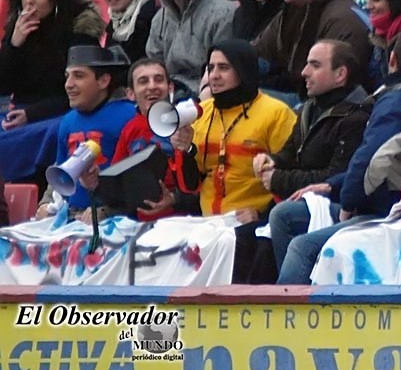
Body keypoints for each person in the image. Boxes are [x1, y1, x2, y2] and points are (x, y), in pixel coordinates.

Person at [269, 25, 401, 284]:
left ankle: (285, 307)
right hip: (393, 203)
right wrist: (331, 186)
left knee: (302, 247)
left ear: (392, 60)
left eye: (315, 65)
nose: (304, 72)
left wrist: (348, 202)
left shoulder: (396, 103)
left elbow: (370, 159)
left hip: (388, 211)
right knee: (284, 214)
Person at [170, 39, 296, 283]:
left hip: (252, 226)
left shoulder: (276, 113)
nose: (214, 75)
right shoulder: (201, 112)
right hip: (209, 225)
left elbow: (291, 175)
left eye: (224, 68)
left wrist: (262, 214)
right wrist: (185, 150)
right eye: (210, 68)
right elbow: (190, 185)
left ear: (243, 70)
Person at [246, 41, 371, 283]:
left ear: (340, 74)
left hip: (341, 208)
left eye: (315, 65)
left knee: (282, 216)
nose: (304, 72)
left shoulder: (356, 117)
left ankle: (291, 297)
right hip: (303, 201)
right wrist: (271, 161)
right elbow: (289, 154)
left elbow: (336, 177)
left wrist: (278, 180)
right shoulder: (309, 109)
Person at [255, 0, 372, 100]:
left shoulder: (343, 19)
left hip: (326, 104)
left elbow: (337, 90)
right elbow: (259, 52)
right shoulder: (296, 6)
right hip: (305, 95)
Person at [34, 45, 136, 222]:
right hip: (71, 217)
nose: (69, 84)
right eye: (67, 76)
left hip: (116, 221)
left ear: (103, 81)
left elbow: (137, 179)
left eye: (79, 76)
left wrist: (109, 211)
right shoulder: (67, 121)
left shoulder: (129, 117)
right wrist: (46, 203)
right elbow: (60, 169)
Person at [0, 0, 104, 129]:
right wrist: (14, 45)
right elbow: (3, 87)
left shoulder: (79, 32)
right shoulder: (18, 29)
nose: (30, 1)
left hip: (60, 115)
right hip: (18, 113)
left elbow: (84, 93)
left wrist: (32, 114)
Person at [95, 58, 201, 221]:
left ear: (170, 87)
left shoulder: (188, 123)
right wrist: (95, 183)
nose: (152, 86)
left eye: (158, 79)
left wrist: (174, 199)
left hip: (185, 220)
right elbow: (117, 182)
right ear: (130, 94)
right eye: (143, 81)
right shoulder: (129, 129)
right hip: (140, 222)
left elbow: (203, 182)